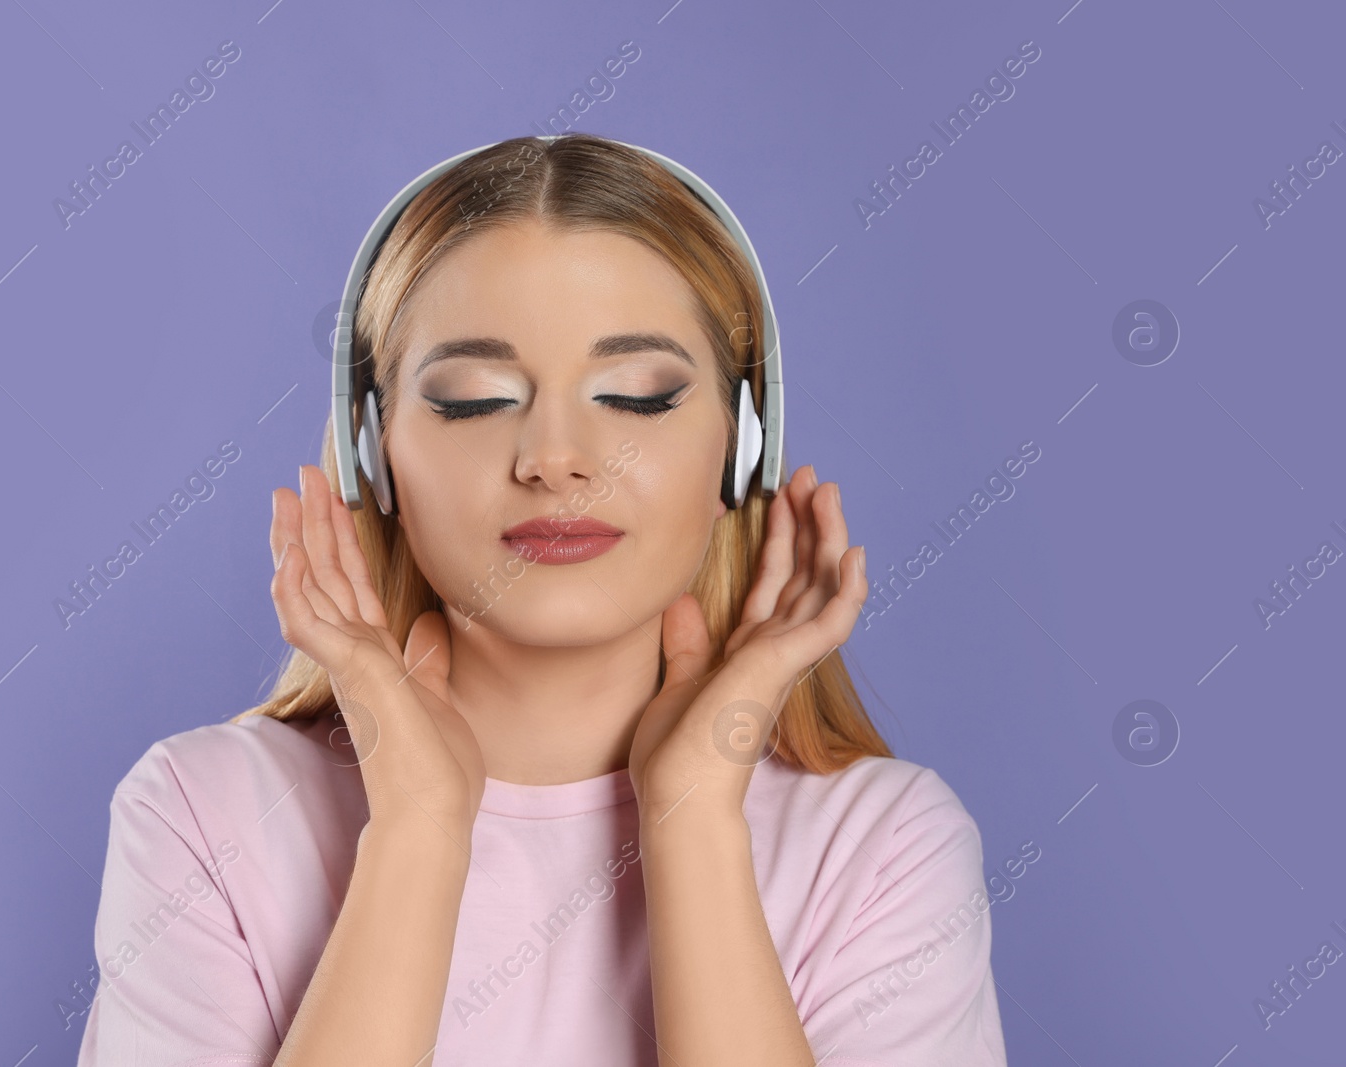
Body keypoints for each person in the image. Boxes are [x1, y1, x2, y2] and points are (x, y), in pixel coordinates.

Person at [75, 132, 1008, 1066]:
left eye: (637, 396)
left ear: (744, 444)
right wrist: (418, 831)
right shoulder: (202, 813)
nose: (555, 456)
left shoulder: (885, 847)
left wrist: (692, 823)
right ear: (372, 454)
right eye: (475, 398)